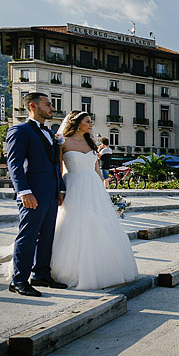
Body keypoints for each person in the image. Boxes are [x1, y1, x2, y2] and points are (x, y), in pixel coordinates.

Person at [48, 110, 138, 290]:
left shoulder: (91, 143)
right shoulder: (62, 142)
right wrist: (60, 189)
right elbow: (58, 169)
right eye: (87, 121)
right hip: (73, 184)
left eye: (91, 121)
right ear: (77, 123)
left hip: (93, 187)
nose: (91, 124)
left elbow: (97, 169)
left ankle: (104, 268)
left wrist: (103, 191)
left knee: (99, 224)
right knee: (73, 224)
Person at [6, 93, 66, 296]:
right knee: (28, 235)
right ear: (33, 106)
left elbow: (55, 164)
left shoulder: (50, 133)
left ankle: (40, 274)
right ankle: (19, 280)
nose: (52, 107)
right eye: (48, 104)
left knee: (47, 235)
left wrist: (60, 188)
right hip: (32, 193)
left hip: (51, 193)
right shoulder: (19, 130)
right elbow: (14, 165)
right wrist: (23, 192)